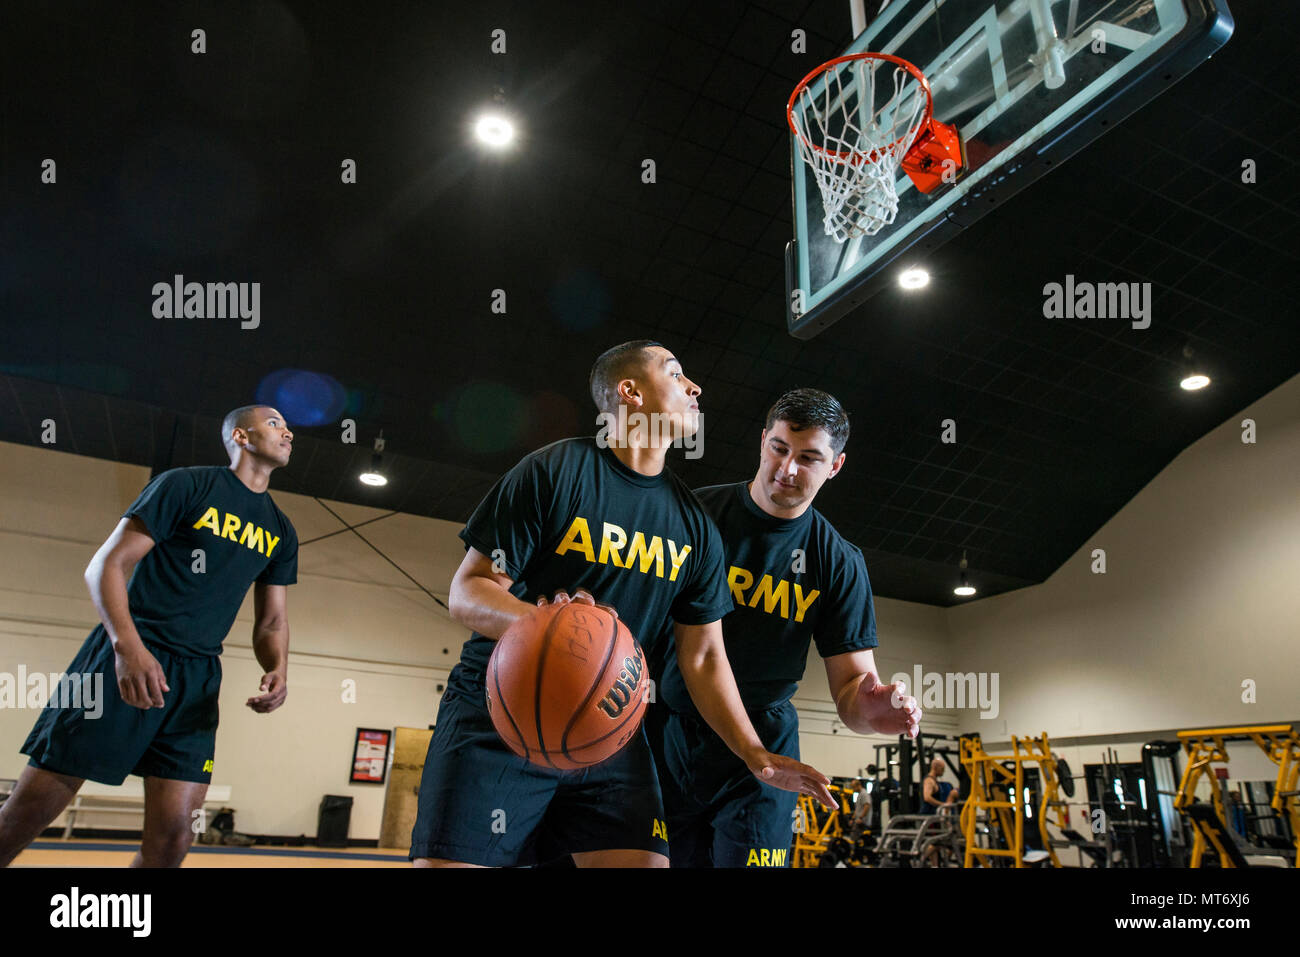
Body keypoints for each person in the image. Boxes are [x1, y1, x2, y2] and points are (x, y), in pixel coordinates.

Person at [409, 342, 835, 869]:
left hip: (610, 726)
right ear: (631, 392)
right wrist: (557, 632)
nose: (695, 386)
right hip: (504, 713)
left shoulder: (694, 525)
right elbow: (469, 589)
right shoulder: (555, 471)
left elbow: (702, 658)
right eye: (677, 374)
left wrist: (755, 754)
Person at [0, 406, 298, 867]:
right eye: (275, 423)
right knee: (30, 810)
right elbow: (107, 565)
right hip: (129, 654)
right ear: (241, 436)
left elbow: (272, 621)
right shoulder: (186, 485)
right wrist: (128, 648)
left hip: (197, 679)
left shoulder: (280, 529)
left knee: (175, 837)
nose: (288, 432)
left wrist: (277, 667)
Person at [652, 388, 921, 868]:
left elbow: (852, 689)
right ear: (762, 442)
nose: (788, 469)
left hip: (766, 748)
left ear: (835, 466)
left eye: (810, 458)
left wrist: (870, 711)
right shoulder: (692, 517)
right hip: (669, 731)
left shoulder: (838, 561)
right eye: (779, 448)